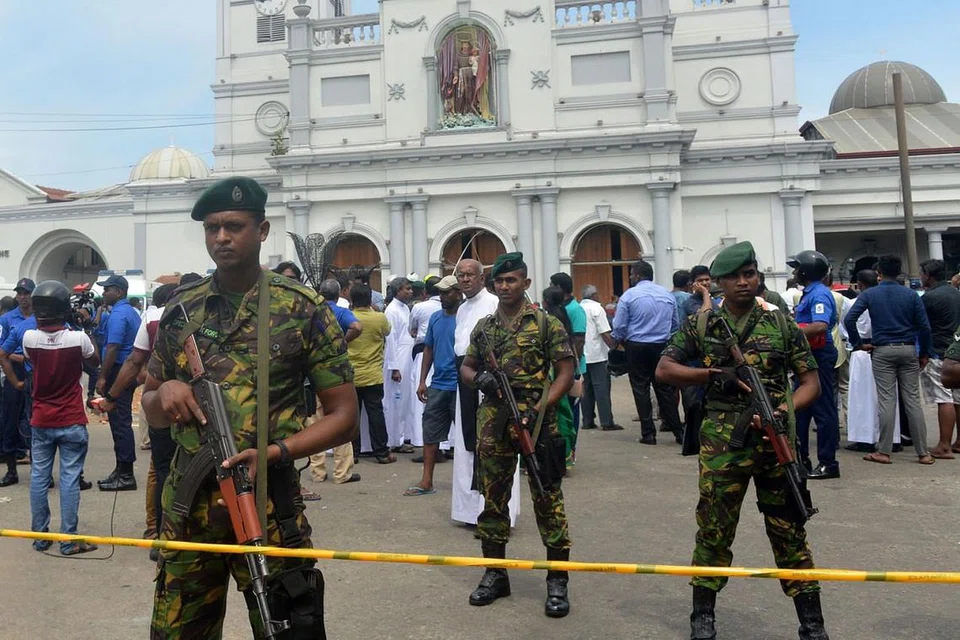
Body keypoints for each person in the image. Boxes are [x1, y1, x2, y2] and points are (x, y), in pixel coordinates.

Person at [142, 176, 357, 638]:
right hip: (189, 511)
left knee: (286, 628)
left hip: (268, 506)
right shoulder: (181, 310)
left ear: (261, 231)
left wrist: (275, 452)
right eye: (213, 227)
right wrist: (164, 394)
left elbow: (343, 416)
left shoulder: (301, 309)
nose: (221, 237)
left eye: (234, 226)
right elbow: (150, 404)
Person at [655, 241, 830, 640]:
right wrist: (713, 376)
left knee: (790, 530)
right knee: (715, 530)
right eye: (733, 276)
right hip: (722, 448)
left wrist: (784, 411)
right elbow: (665, 369)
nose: (743, 282)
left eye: (749, 274)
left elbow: (810, 383)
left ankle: (812, 623)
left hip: (775, 444)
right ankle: (702, 616)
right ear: (717, 283)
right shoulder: (702, 324)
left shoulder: (781, 323)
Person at [461, 252, 575, 618]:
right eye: (500, 281)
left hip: (537, 422)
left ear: (525, 283)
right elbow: (466, 366)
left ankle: (557, 581)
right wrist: (479, 379)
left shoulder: (545, 324)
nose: (505, 286)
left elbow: (565, 372)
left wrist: (541, 408)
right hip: (494, 421)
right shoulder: (485, 327)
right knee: (493, 499)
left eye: (512, 280)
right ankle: (496, 574)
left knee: (547, 498)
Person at [16, 281, 100, 555]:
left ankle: (40, 536)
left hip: (41, 418)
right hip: (72, 418)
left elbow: (30, 359)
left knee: (39, 477)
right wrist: (83, 326)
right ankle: (68, 538)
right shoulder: (78, 339)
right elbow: (94, 360)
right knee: (69, 478)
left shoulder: (29, 338)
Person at [99, 282, 177, 556]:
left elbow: (131, 359)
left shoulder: (151, 317)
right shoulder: (138, 315)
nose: (105, 293)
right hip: (199, 406)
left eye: (108, 288)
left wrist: (109, 392)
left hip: (160, 402)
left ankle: (157, 532)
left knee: (162, 469)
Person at [845, 255, 934, 465]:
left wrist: (859, 343)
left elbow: (850, 319)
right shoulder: (911, 295)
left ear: (879, 273)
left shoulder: (870, 294)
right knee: (912, 400)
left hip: (882, 350)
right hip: (908, 348)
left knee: (887, 400)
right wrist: (924, 353)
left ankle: (883, 451)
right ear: (899, 272)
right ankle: (923, 452)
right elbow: (925, 327)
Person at [451, 258, 520, 526]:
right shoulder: (461, 308)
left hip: (487, 380)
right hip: (466, 378)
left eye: (470, 275)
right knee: (468, 445)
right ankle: (471, 512)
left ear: (482, 278)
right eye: (461, 275)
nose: (465, 279)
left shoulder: (493, 304)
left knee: (492, 446)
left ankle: (497, 512)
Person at [611, 259, 683, 445]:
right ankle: (679, 432)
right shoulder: (667, 295)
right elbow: (675, 324)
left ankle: (648, 433)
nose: (630, 277)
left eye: (631, 274)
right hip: (661, 345)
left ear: (637, 275)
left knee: (640, 388)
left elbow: (619, 325)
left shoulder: (629, 296)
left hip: (637, 346)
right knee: (665, 389)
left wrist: (618, 340)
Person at [405, 276, 461, 496]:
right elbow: (428, 349)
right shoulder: (436, 318)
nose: (444, 296)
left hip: (461, 386)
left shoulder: (466, 317)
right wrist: (422, 381)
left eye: (448, 292)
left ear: (458, 293)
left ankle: (472, 483)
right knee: (430, 434)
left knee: (468, 437)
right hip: (438, 384)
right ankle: (426, 481)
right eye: (442, 292)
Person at [788, 250, 841, 479]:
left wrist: (791, 334)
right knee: (801, 409)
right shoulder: (809, 293)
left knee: (823, 410)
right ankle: (801, 460)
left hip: (818, 355)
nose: (793, 272)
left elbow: (819, 325)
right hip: (808, 355)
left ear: (804, 270)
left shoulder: (819, 294)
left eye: (796, 267)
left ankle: (828, 462)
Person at [306, 279, 362, 488]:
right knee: (340, 420)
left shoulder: (310, 310)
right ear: (338, 294)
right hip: (336, 375)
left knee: (314, 423)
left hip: (311, 374)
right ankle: (342, 473)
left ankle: (318, 472)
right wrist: (344, 342)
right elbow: (357, 326)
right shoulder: (340, 311)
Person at [94, 274, 142, 491]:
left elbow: (112, 347)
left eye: (108, 289)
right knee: (118, 421)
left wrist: (103, 377)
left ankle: (126, 474)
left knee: (120, 422)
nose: (104, 293)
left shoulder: (119, 314)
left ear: (120, 292)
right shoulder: (128, 312)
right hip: (126, 371)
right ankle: (121, 468)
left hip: (119, 372)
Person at [845, 270, 900, 452]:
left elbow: (846, 323)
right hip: (884, 346)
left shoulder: (854, 302)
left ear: (859, 284)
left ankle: (864, 438)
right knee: (887, 396)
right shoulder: (889, 301)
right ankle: (892, 437)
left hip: (863, 349)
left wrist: (856, 343)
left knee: (862, 396)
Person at [348, 283, 395, 464]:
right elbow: (387, 332)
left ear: (352, 299)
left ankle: (354, 453)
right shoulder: (379, 318)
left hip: (352, 374)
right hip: (373, 373)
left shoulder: (348, 317)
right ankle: (381, 452)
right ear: (369, 299)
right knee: (376, 413)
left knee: (353, 415)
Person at [918, 259, 960, 459]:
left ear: (927, 275)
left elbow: (922, 327)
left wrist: (923, 352)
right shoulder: (955, 293)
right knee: (958, 398)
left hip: (938, 351)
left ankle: (944, 445)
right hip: (956, 351)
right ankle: (958, 441)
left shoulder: (930, 297)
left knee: (944, 398)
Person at [0, 278, 36, 484]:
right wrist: (19, 357)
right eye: (20, 293)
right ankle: (11, 469)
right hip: (14, 371)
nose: (23, 297)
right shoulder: (7, 319)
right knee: (10, 420)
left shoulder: (41, 317)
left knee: (35, 422)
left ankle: (38, 469)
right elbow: (1, 348)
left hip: (35, 373)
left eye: (26, 293)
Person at [550, 272, 586, 446]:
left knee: (571, 412)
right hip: (557, 370)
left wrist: (569, 368)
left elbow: (579, 341)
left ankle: (570, 450)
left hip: (572, 369)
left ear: (559, 288)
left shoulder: (575, 309)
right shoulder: (558, 309)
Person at [408, 275, 442, 452]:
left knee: (421, 397)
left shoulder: (419, 307)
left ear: (424, 292)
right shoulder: (453, 307)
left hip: (423, 354)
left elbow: (411, 329)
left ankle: (423, 442)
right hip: (444, 356)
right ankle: (446, 443)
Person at [578, 285, 620, 431]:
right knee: (601, 387)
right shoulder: (597, 308)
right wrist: (615, 347)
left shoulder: (579, 307)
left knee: (586, 388)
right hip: (597, 354)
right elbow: (604, 332)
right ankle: (607, 421)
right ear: (594, 295)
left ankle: (588, 420)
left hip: (582, 353)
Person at [384, 277, 415, 452]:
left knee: (405, 399)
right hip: (398, 358)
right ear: (397, 291)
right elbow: (391, 341)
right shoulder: (392, 311)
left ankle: (404, 435)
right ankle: (395, 440)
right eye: (407, 289)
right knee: (396, 400)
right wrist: (394, 367)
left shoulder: (405, 308)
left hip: (407, 356)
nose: (411, 292)